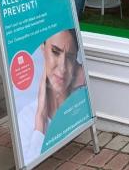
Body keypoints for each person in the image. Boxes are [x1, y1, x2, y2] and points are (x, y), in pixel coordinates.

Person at [17, 29, 86, 162]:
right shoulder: (26, 119)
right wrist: (40, 120)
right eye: (55, 51)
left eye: (70, 57)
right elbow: (30, 162)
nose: (63, 68)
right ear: (43, 49)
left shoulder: (79, 106)